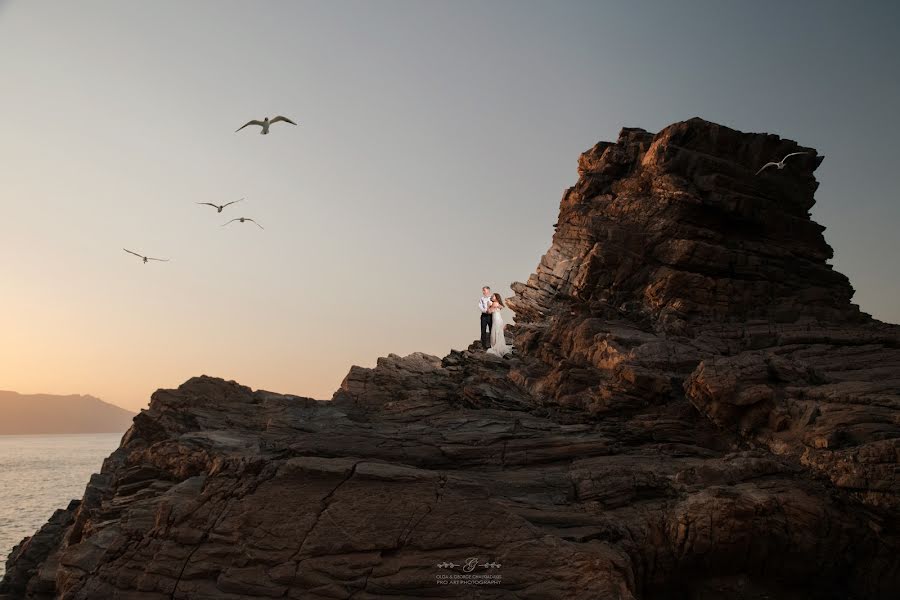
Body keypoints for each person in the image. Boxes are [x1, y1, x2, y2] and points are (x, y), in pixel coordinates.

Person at [486, 293, 511, 357]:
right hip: (499, 320)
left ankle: (496, 346)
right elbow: (501, 307)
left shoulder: (494, 303)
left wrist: (488, 306)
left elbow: (489, 311)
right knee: (499, 333)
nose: (492, 297)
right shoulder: (498, 303)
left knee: (495, 333)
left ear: (496, 297)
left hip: (496, 320)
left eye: (493, 296)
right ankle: (499, 345)